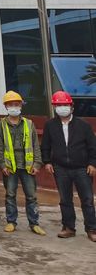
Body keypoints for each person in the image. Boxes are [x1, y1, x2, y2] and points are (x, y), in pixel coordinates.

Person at [41, 90, 96, 242]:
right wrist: (47, 162)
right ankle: (69, 228)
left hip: (82, 168)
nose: (62, 108)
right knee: (65, 200)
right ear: (54, 107)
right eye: (59, 105)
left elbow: (93, 146)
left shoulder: (83, 125)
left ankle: (92, 229)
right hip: (60, 168)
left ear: (72, 106)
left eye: (65, 105)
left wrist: (92, 163)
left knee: (87, 200)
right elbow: (45, 145)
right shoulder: (50, 125)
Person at [0, 90, 45, 236]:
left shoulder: (29, 124)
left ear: (21, 106)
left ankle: (34, 223)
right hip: (10, 166)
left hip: (27, 166)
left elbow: (35, 145)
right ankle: (11, 221)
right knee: (10, 194)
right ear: (6, 106)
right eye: (11, 104)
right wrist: (2, 165)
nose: (14, 107)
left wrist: (37, 163)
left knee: (31, 196)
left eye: (16, 104)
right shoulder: (0, 125)